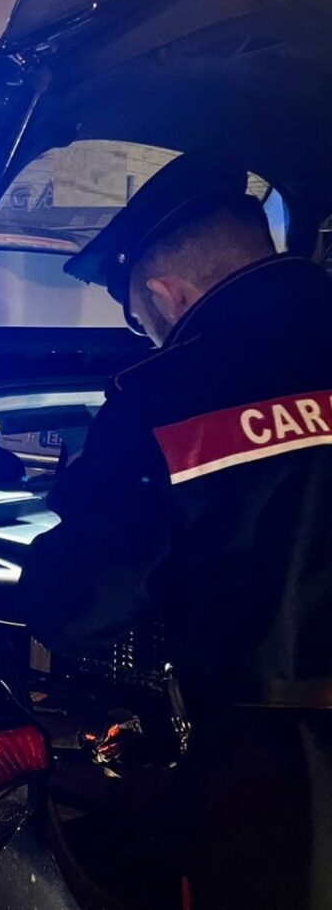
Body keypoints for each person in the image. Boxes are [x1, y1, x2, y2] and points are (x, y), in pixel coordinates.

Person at [19, 152, 332, 910]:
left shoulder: (164, 396)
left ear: (166, 293)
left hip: (282, 764)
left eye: (140, 318)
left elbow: (87, 602)